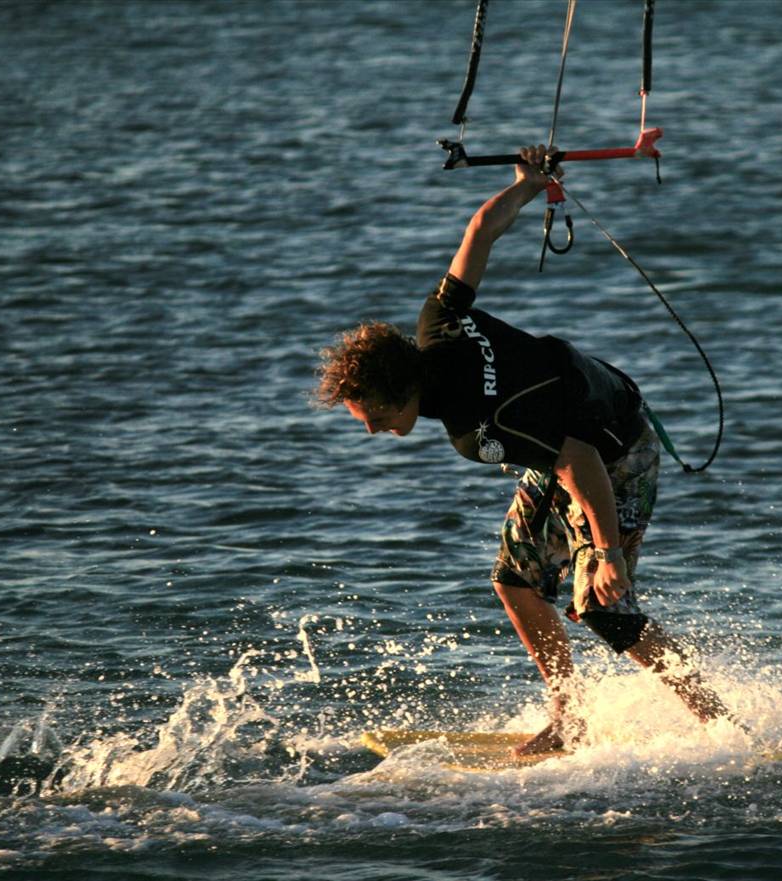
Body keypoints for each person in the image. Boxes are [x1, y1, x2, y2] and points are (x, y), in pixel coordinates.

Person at [316, 145, 738, 755]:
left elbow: (579, 462)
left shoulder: (477, 428)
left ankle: (723, 724)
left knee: (604, 607)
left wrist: (607, 552)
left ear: (404, 391)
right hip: (566, 433)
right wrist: (527, 184)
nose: (374, 430)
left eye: (377, 417)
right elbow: (479, 231)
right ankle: (569, 720)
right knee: (515, 580)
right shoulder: (437, 325)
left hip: (617, 450)